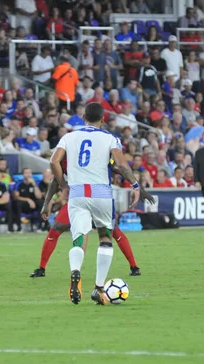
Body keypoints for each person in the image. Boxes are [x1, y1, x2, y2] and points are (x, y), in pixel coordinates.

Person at [49, 102, 140, 305]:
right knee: (104, 237)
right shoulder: (110, 138)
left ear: (83, 118)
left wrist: (63, 184)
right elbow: (121, 164)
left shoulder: (69, 137)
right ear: (103, 119)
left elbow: (54, 161)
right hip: (101, 193)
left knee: (78, 238)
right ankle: (99, 288)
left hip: (77, 192)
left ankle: (75, 272)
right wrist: (135, 184)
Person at [13, 168, 44, 232]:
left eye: (29, 173)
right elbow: (16, 197)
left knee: (41, 202)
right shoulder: (19, 184)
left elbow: (39, 196)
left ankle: (40, 227)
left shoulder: (36, 183)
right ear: (23, 175)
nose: (28, 175)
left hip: (34, 205)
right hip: (23, 204)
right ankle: (19, 227)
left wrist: (34, 185)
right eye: (26, 173)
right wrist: (28, 200)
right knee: (17, 203)